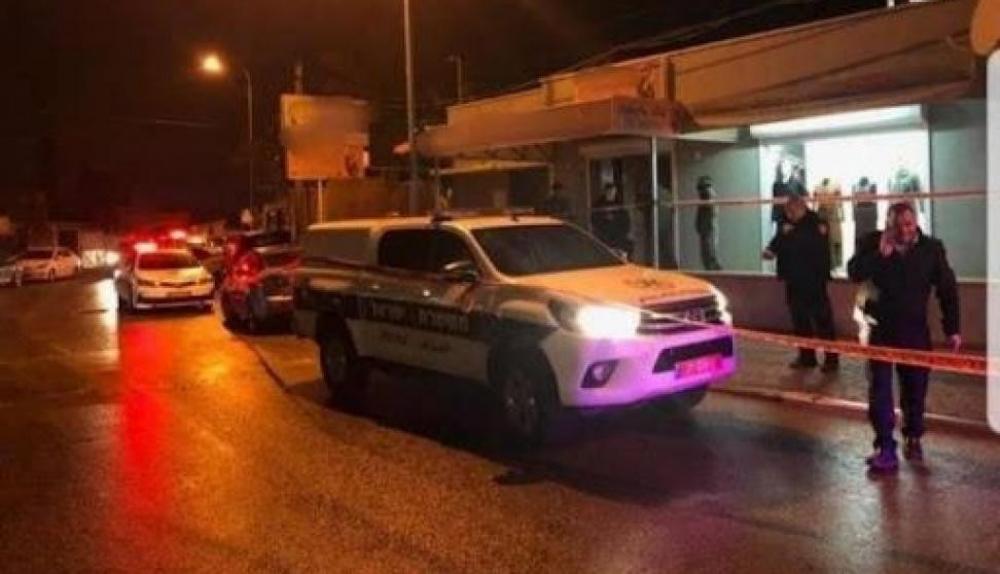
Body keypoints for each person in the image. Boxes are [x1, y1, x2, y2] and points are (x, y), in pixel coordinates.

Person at [847, 201, 960, 472]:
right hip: (880, 331)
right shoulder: (871, 243)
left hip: (915, 332)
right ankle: (885, 447)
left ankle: (914, 435)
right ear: (887, 224)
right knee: (880, 392)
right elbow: (854, 273)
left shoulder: (931, 249)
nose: (903, 231)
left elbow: (947, 289)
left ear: (916, 222)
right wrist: (879, 256)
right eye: (896, 226)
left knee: (915, 390)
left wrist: (953, 328)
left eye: (908, 224)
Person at [763, 194, 839, 372]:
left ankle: (831, 359)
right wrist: (771, 250)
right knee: (800, 321)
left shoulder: (816, 222)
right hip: (794, 281)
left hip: (814, 282)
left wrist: (788, 235)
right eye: (787, 212)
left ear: (801, 208)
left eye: (792, 211)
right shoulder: (787, 224)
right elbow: (777, 243)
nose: (789, 215)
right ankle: (807, 357)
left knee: (823, 322)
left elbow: (809, 244)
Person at [591, 182, 632, 255]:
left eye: (613, 192)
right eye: (609, 192)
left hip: (618, 239)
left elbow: (626, 221)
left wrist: (623, 234)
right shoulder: (598, 205)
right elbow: (595, 221)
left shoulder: (619, 205)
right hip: (604, 239)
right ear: (605, 192)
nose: (611, 194)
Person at [695, 175, 722, 270]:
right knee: (706, 254)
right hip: (705, 230)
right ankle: (711, 269)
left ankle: (715, 271)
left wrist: (700, 226)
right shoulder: (703, 198)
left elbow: (711, 212)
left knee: (710, 253)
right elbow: (700, 214)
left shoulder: (709, 194)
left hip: (708, 229)